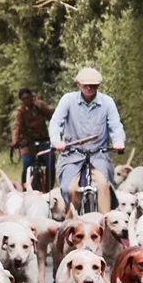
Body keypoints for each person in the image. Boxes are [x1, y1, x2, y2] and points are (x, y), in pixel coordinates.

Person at [49, 67, 126, 214]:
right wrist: (57, 141)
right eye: (86, 85)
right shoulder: (68, 100)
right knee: (71, 189)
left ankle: (105, 226)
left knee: (104, 185)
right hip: (72, 155)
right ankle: (72, 225)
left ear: (98, 86)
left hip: (99, 155)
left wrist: (118, 141)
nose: (89, 88)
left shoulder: (107, 102)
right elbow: (56, 122)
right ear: (78, 84)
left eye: (94, 85)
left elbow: (116, 126)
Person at [12, 88, 55, 191]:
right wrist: (15, 140)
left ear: (32, 96)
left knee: (50, 160)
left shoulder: (39, 106)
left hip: (43, 139)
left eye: (28, 98)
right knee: (27, 163)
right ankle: (25, 188)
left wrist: (40, 105)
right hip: (27, 141)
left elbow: (52, 115)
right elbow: (17, 126)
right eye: (24, 99)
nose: (27, 101)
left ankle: (49, 189)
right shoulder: (20, 111)